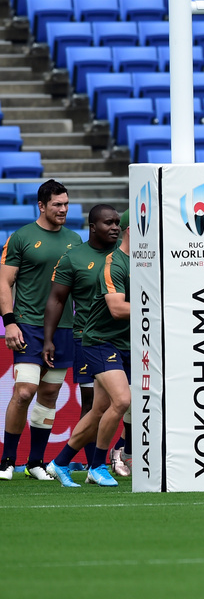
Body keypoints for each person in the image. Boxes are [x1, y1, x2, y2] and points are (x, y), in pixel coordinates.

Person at [0, 180, 82, 481]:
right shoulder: (21, 237)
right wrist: (9, 321)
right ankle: (7, 461)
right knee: (24, 391)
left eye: (66, 204)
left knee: (49, 393)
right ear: (41, 205)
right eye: (57, 204)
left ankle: (35, 462)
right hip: (28, 324)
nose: (63, 209)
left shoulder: (75, 239)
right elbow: (3, 281)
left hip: (64, 327)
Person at [47, 211, 132, 488]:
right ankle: (97, 465)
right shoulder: (113, 263)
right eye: (110, 223)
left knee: (98, 409)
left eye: (117, 223)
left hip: (124, 341)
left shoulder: (143, 261)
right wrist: (162, 309)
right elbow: (117, 309)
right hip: (98, 340)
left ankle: (59, 462)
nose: (114, 227)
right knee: (122, 401)